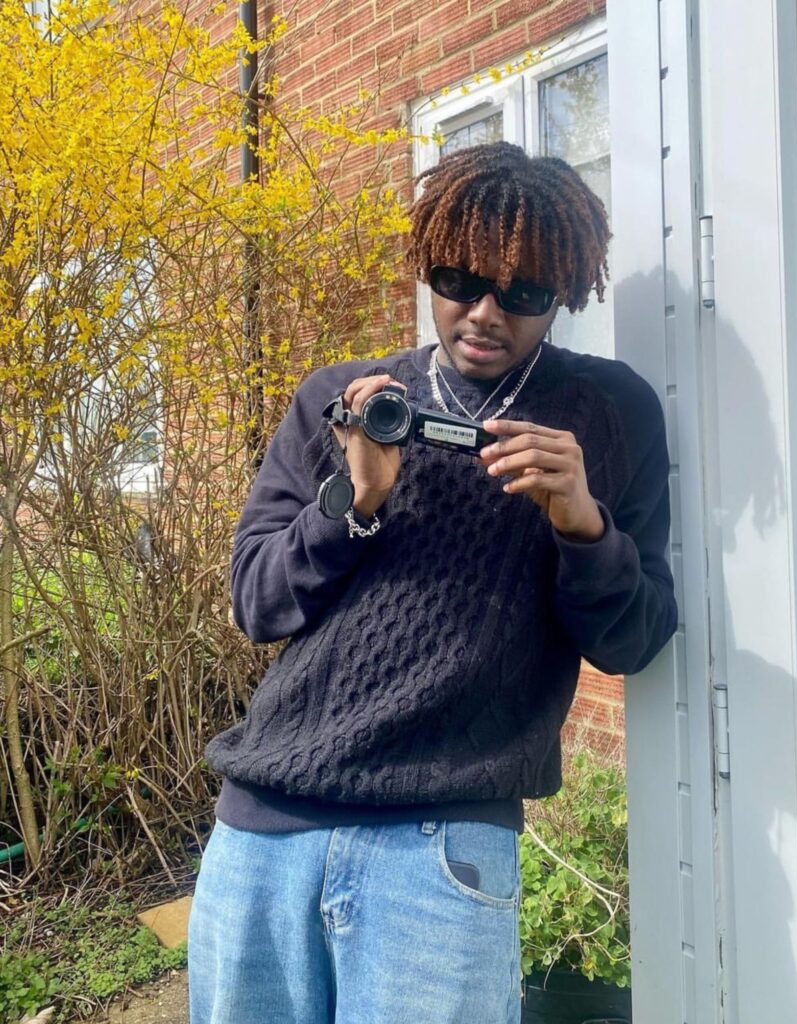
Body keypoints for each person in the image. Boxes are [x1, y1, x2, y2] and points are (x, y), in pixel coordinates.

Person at [188, 141, 678, 1024]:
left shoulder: (608, 415)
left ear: (565, 291)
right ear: (429, 265)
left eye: (524, 294)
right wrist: (356, 501)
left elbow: (633, 639)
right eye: (460, 281)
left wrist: (584, 525)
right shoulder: (344, 399)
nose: (485, 313)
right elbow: (255, 603)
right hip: (265, 830)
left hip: (443, 843)